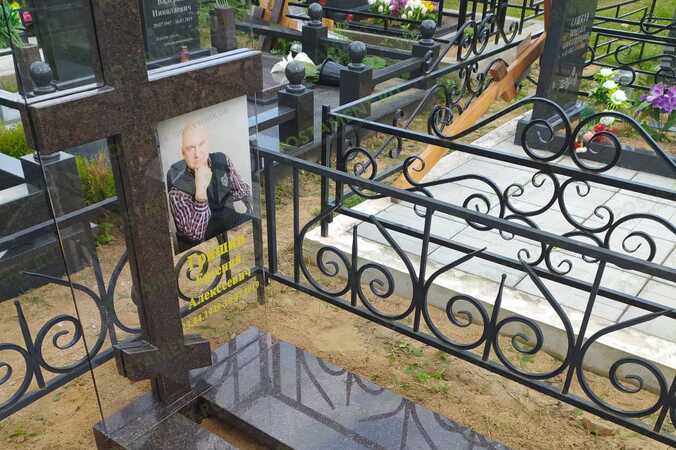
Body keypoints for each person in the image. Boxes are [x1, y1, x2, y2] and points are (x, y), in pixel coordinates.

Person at [166, 122, 251, 247]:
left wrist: (248, 208)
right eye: (190, 148)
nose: (197, 153)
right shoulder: (177, 187)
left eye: (201, 144)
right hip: (205, 245)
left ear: (208, 145)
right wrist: (200, 194)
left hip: (229, 229)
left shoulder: (222, 160)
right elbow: (195, 235)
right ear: (183, 153)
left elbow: (241, 191)